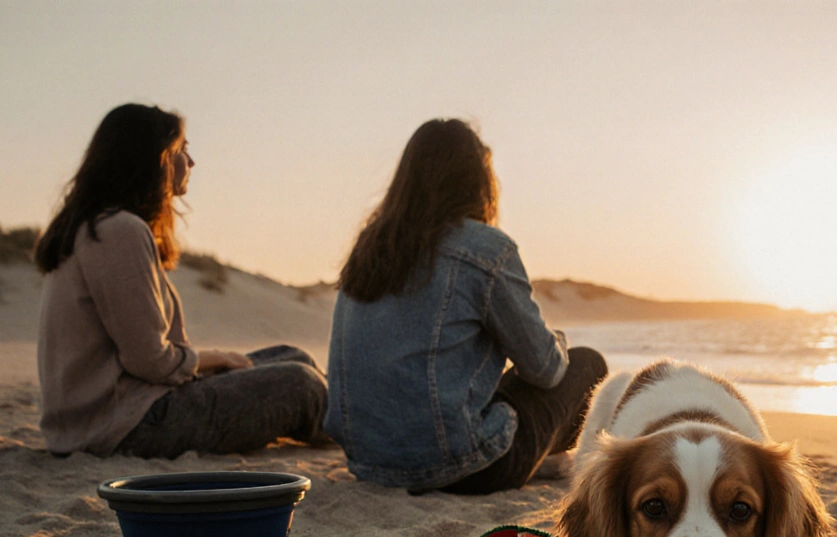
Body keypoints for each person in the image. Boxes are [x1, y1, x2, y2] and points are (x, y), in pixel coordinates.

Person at [326, 119, 607, 494]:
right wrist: (555, 340)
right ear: (478, 181)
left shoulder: (369, 249)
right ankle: (551, 463)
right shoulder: (484, 249)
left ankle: (535, 460)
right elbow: (546, 371)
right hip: (464, 468)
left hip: (369, 464)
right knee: (588, 365)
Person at [34, 103, 328, 459]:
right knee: (301, 385)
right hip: (124, 423)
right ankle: (369, 432)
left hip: (114, 412)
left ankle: (351, 422)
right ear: (154, 159)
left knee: (291, 355)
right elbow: (150, 362)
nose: (191, 162)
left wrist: (213, 361)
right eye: (181, 150)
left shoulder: (95, 225)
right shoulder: (118, 230)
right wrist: (215, 356)